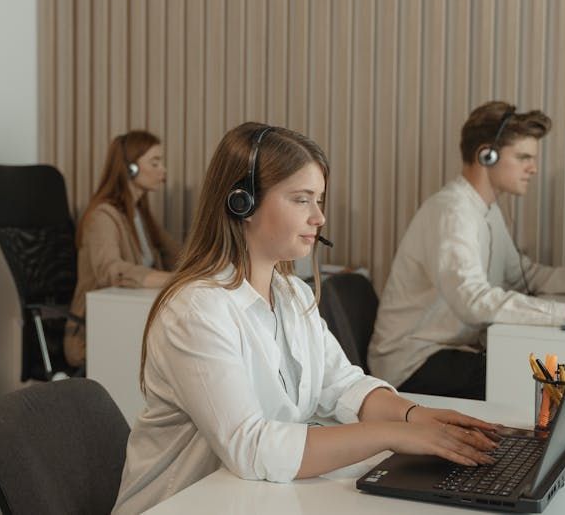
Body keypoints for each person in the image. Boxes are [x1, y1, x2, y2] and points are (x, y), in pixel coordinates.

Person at [113, 123, 500, 514]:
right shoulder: (198, 310)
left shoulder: (291, 293)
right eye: (302, 200)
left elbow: (341, 385)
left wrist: (417, 416)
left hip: (256, 500)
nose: (319, 218)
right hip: (179, 504)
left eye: (319, 200)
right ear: (241, 203)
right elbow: (252, 447)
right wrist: (394, 436)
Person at [368, 101, 565, 400]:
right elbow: (472, 301)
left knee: (545, 378)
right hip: (413, 363)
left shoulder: (486, 211)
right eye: (523, 157)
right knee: (535, 386)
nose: (533, 168)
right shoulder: (452, 212)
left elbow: (523, 274)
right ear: (486, 155)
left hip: (450, 351)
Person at [64, 130, 179, 368]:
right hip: (93, 332)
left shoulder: (140, 214)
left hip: (128, 320)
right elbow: (111, 270)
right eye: (155, 162)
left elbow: (175, 253)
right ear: (130, 169)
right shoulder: (103, 216)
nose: (163, 171)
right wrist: (175, 279)